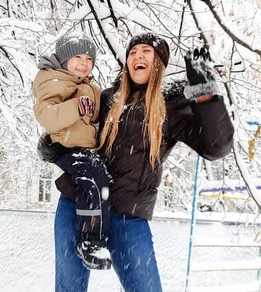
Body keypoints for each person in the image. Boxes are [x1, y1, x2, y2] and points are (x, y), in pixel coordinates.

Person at [42, 32, 235, 292]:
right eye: (132, 52)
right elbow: (76, 129)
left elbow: (217, 146)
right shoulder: (108, 98)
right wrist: (55, 147)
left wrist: (204, 91)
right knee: (68, 288)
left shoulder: (171, 108)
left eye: (146, 51)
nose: (137, 56)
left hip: (128, 217)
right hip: (79, 203)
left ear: (159, 63)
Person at [33, 31, 112, 270]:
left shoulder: (88, 87)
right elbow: (46, 115)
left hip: (85, 147)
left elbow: (101, 112)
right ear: (64, 59)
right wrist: (76, 107)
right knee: (95, 180)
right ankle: (91, 240)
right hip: (67, 146)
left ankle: (95, 236)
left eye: (89, 59)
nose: (84, 63)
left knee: (100, 181)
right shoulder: (53, 80)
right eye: (78, 57)